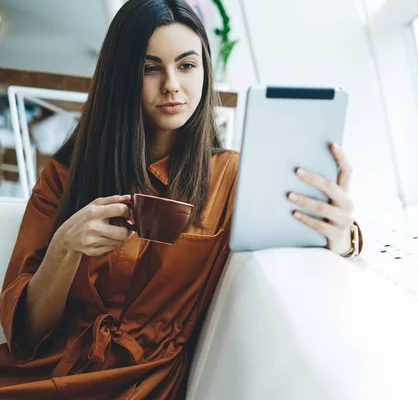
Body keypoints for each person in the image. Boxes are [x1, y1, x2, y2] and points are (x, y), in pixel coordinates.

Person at [0, 0, 362, 398]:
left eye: (187, 66)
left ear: (204, 71)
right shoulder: (66, 175)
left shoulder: (233, 177)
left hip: (142, 384)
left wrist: (341, 235)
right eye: (150, 68)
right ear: (122, 76)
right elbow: (24, 335)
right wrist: (65, 248)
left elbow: (307, 239)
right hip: (45, 371)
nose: (172, 84)